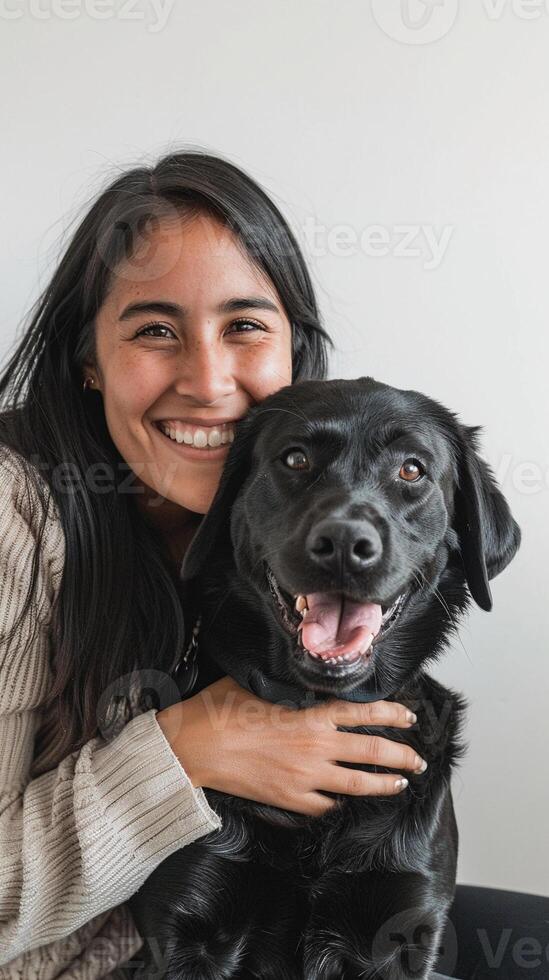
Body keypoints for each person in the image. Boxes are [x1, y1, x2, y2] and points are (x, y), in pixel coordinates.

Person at [0, 151, 546, 980]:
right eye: (154, 329)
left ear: (294, 351)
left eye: (245, 326)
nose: (209, 379)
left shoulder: (255, 495)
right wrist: (185, 751)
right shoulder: (20, 517)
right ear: (87, 359)